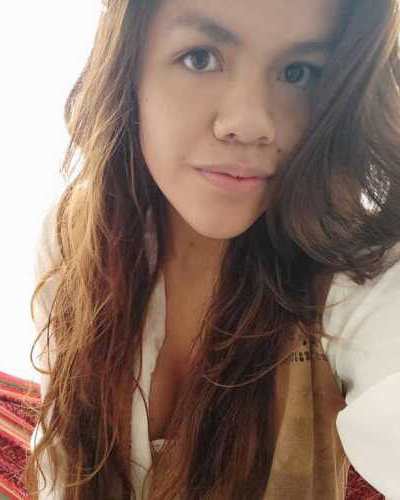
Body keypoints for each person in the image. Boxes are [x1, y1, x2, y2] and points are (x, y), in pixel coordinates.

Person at [24, 0, 400, 498]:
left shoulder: (354, 273)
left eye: (299, 72)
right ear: (129, 65)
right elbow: (61, 467)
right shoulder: (73, 235)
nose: (251, 123)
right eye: (200, 58)